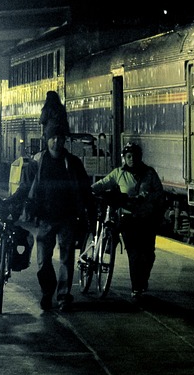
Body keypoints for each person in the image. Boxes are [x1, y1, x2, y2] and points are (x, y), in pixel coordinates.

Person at [11, 124, 92, 311]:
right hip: (44, 218)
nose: (56, 141)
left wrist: (89, 212)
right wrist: (15, 202)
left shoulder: (73, 163)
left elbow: (84, 189)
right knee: (43, 261)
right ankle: (47, 291)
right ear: (46, 140)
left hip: (68, 217)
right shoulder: (36, 164)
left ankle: (63, 296)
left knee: (66, 259)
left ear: (65, 141)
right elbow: (26, 186)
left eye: (60, 138)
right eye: (53, 138)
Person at [91, 141, 164, 297]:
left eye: (135, 156)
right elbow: (103, 183)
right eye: (128, 156)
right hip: (128, 219)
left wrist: (146, 197)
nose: (132, 159)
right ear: (124, 158)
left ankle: (143, 280)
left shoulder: (150, 173)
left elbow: (159, 192)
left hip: (147, 219)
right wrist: (89, 191)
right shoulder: (119, 173)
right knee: (134, 254)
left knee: (149, 254)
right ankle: (136, 287)